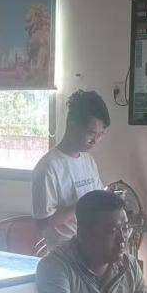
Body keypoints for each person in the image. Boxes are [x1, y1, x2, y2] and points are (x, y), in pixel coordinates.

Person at [32, 89, 109, 248]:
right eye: (91, 133)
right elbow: (43, 224)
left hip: (91, 249)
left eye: (100, 135)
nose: (95, 141)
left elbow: (97, 201)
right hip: (64, 254)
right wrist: (81, 205)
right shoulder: (48, 167)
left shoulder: (88, 160)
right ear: (72, 125)